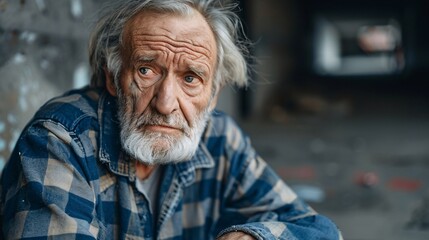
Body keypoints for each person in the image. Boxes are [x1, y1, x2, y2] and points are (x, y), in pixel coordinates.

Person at [0, 0, 342, 239]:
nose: (165, 104)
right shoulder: (59, 140)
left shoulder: (219, 137)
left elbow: (320, 230)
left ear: (213, 93)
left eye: (191, 78)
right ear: (112, 77)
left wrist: (258, 237)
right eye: (146, 70)